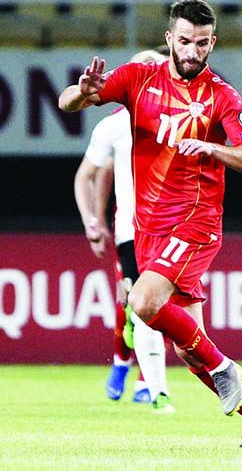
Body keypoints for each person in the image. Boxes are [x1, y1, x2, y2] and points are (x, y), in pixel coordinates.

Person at [59, 0, 242, 446]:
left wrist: (214, 149)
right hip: (148, 229)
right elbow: (67, 103)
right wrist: (82, 91)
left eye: (201, 43)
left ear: (212, 43)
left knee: (142, 303)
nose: (192, 51)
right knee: (188, 346)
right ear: (169, 40)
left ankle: (222, 369)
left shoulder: (222, 96)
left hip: (196, 224)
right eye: (184, 41)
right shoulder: (138, 79)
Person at [74, 48, 175, 413]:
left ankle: (146, 380)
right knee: (135, 304)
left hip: (175, 227)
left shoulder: (178, 117)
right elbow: (90, 174)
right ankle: (134, 372)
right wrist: (93, 220)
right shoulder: (115, 124)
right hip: (132, 230)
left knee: (162, 306)